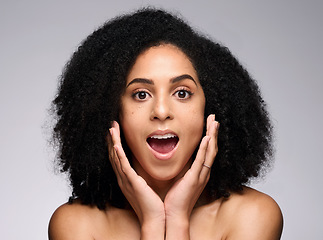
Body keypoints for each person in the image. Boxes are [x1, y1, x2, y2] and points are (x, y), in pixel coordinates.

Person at [48, 8, 283, 239]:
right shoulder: (75, 225)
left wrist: (177, 217)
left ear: (210, 108)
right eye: (141, 94)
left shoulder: (253, 215)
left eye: (182, 93)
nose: (161, 111)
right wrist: (153, 223)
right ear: (110, 111)